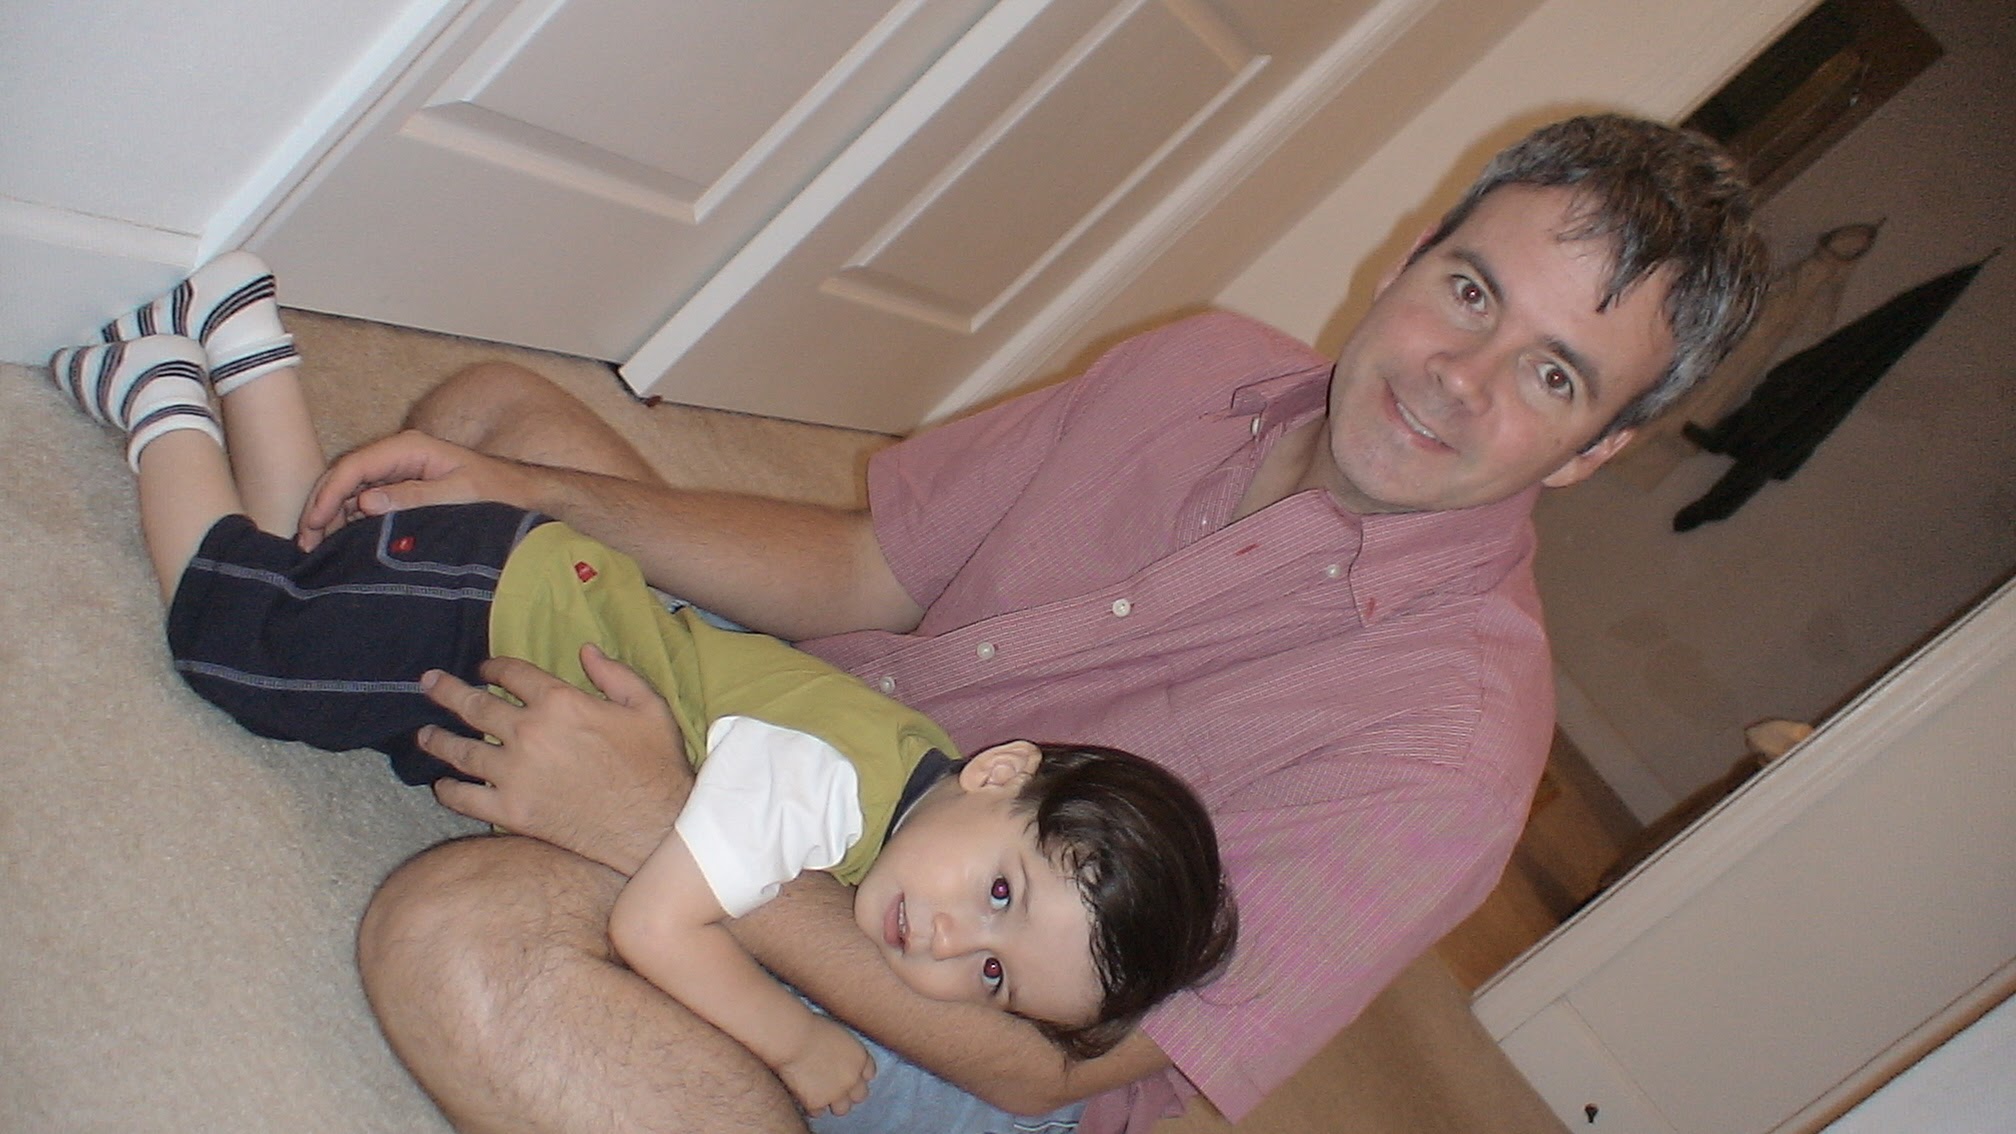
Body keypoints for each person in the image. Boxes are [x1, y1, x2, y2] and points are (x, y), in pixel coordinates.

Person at [280, 112, 1767, 1133]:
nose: (1459, 376)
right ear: (1410, 255)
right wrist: (546, 494)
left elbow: (1058, 1069)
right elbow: (868, 569)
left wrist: (668, 825)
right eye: (1471, 291)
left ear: (1594, 450)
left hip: (959, 998)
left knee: (460, 939)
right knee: (488, 422)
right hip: (835, 746)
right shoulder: (1198, 366)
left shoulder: (1453, 751)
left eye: (1554, 376)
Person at [43, 292, 1238, 1118]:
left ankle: (245, 346)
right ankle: (162, 404)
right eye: (999, 898)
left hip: (534, 584)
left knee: (314, 572)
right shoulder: (821, 802)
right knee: (240, 639)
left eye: (991, 981)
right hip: (483, 615)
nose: (945, 943)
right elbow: (659, 927)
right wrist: (794, 1039)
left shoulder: (915, 764)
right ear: (1000, 772)